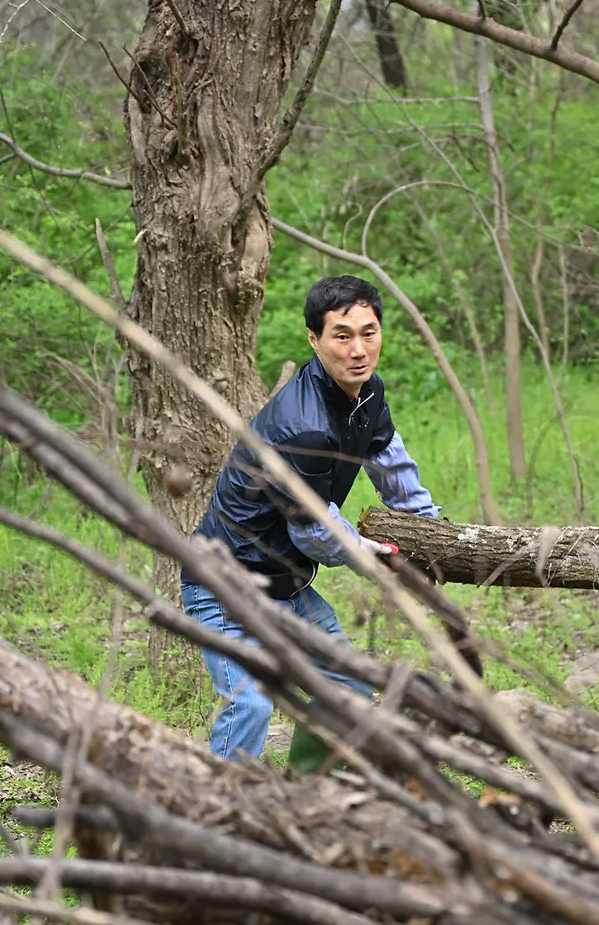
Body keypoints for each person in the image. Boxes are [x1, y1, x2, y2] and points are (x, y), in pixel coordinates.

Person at [179, 275, 440, 772]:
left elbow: (391, 462)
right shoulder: (303, 424)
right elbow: (315, 532)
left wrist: (432, 533)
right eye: (342, 336)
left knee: (349, 688)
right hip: (225, 587)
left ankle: (310, 790)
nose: (358, 350)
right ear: (314, 339)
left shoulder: (367, 394)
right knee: (250, 704)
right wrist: (368, 555)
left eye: (369, 333)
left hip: (286, 587)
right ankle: (215, 808)